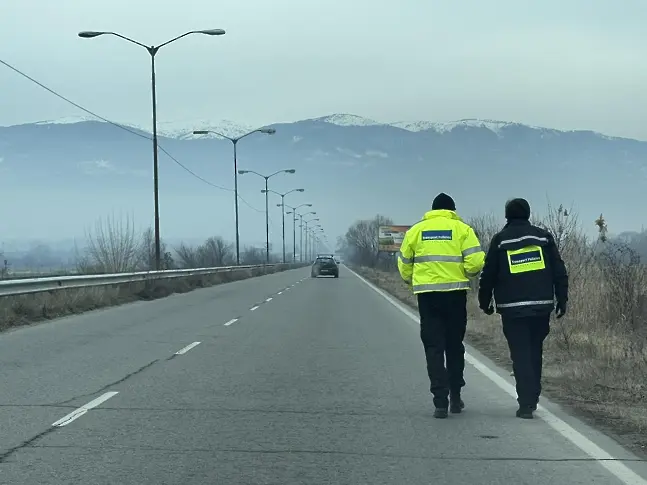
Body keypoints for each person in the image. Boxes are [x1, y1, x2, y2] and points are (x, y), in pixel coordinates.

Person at [478, 198, 568, 419]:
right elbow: (559, 270)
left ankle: (526, 402)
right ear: (528, 214)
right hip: (541, 306)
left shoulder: (500, 240)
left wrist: (484, 301)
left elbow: (488, 274)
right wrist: (562, 300)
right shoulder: (543, 237)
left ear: (507, 216)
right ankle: (533, 396)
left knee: (520, 354)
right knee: (535, 350)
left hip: (512, 308)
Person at [398, 193, 485, 418]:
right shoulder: (462, 230)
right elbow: (475, 261)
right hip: (455, 295)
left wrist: (412, 281)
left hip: (427, 296)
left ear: (432, 209)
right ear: (452, 210)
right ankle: (455, 397)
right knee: (454, 346)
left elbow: (404, 263)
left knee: (433, 348)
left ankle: (439, 402)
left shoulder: (416, 231)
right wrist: (466, 274)